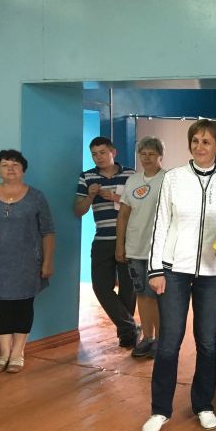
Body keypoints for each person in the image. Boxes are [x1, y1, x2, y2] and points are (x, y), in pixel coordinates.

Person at [141, 119, 216, 431]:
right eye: (195, 141)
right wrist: (155, 270)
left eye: (207, 141)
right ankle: (159, 410)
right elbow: (161, 223)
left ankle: (204, 404)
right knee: (169, 342)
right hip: (174, 271)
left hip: (213, 273)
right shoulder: (174, 178)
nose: (199, 146)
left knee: (207, 342)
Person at [0, 150, 55, 374]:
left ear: (23, 169)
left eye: (15, 165)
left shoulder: (36, 197)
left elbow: (48, 232)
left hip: (27, 263)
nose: (10, 169)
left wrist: (47, 262)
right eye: (5, 165)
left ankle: (18, 353)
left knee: (23, 307)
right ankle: (3, 353)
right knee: (1, 308)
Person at [74, 137, 138, 348]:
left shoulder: (131, 175)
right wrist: (90, 196)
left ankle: (127, 335)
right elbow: (78, 210)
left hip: (129, 239)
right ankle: (130, 326)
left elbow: (142, 206)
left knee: (128, 288)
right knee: (100, 287)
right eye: (94, 154)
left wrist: (115, 198)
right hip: (102, 239)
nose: (98, 157)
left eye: (102, 152)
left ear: (113, 152)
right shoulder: (87, 177)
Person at [115, 136, 166, 359]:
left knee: (157, 296)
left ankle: (162, 341)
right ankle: (147, 338)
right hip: (134, 248)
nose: (147, 158)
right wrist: (120, 244)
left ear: (160, 156)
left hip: (159, 251)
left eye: (152, 154)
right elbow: (123, 215)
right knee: (142, 295)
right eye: (143, 154)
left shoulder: (168, 179)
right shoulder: (133, 180)